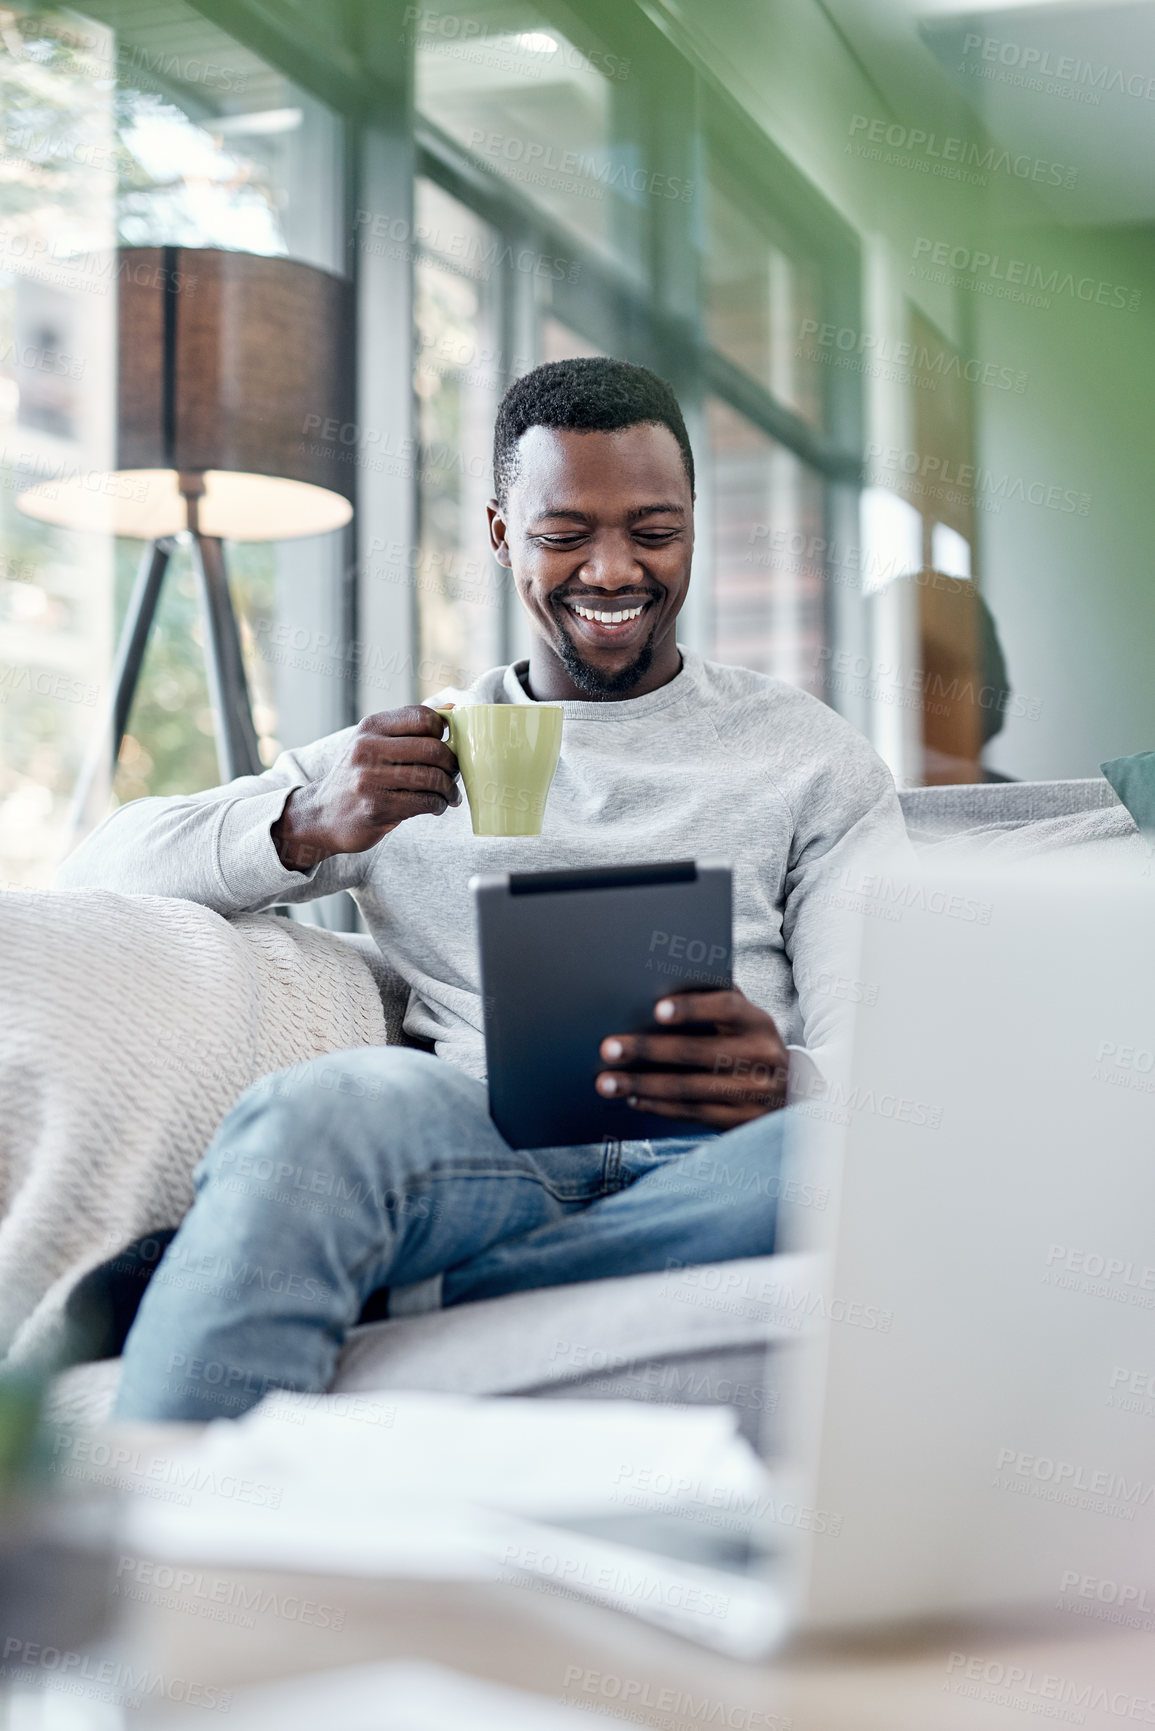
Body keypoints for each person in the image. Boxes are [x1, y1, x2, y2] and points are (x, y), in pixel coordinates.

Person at [59, 358, 907, 1422]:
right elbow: (95, 872)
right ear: (504, 532)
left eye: (653, 532)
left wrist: (793, 1082)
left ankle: (420, 1293)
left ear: (694, 521)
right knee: (318, 1112)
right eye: (565, 536)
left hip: (729, 1162)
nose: (611, 572)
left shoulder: (811, 756)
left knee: (869, 1159)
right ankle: (160, 1559)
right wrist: (303, 819)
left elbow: (896, 1047)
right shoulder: (413, 751)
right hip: (486, 1153)